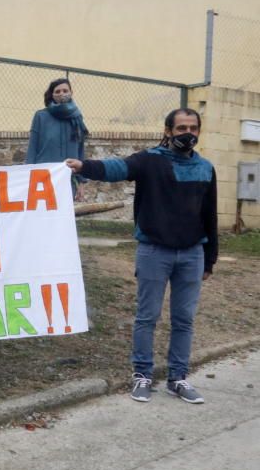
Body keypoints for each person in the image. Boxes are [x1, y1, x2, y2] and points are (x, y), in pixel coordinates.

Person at [66, 108, 217, 405]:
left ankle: (178, 378)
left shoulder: (206, 168)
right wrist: (83, 165)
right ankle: (142, 375)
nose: (188, 133)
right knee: (147, 317)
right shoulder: (149, 160)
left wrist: (209, 258)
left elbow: (210, 215)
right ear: (168, 130)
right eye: (181, 127)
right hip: (154, 252)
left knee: (184, 319)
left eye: (193, 128)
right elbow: (117, 168)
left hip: (192, 255)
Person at [26, 78, 88, 199]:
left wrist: (81, 181)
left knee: (66, 216)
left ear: (71, 92)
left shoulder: (76, 118)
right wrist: (29, 175)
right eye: (57, 91)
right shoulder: (41, 116)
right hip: (44, 175)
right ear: (52, 95)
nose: (62, 94)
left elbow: (80, 151)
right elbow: (32, 148)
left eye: (65, 90)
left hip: (68, 176)